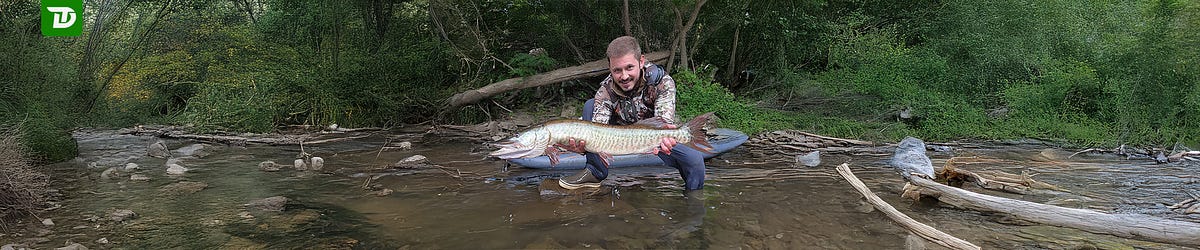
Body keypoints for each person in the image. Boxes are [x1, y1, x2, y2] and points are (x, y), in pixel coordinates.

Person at [556, 36, 707, 192]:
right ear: (610, 68)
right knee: (590, 105)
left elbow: (663, 122)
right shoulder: (605, 91)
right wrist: (584, 147)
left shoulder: (662, 82)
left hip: (651, 134)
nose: (624, 76)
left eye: (629, 67)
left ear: (641, 61)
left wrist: (666, 139)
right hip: (616, 133)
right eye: (617, 70)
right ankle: (595, 172)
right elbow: (597, 132)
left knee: (694, 160)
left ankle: (693, 198)